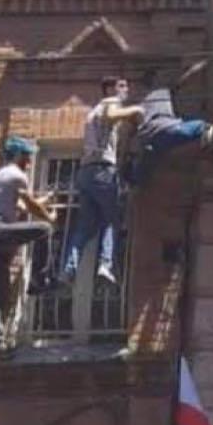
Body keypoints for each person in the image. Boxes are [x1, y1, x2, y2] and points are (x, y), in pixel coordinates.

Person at [0, 137, 56, 358]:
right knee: (44, 229)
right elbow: (30, 205)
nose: (29, 162)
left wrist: (45, 200)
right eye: (27, 157)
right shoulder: (16, 174)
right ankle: (39, 281)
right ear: (18, 155)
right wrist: (49, 217)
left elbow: (22, 206)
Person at [62, 76, 142, 288]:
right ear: (109, 89)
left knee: (85, 226)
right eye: (121, 86)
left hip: (85, 172)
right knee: (112, 218)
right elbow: (112, 115)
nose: (126, 90)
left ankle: (68, 269)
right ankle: (105, 265)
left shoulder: (92, 112)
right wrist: (136, 110)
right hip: (102, 170)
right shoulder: (110, 102)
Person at [126, 62, 213, 185]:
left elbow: (130, 133)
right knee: (205, 126)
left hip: (151, 140)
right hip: (167, 128)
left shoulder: (140, 104)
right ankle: (207, 156)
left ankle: (135, 181)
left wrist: (127, 155)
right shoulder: (162, 92)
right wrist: (201, 65)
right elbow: (186, 78)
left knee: (144, 173)